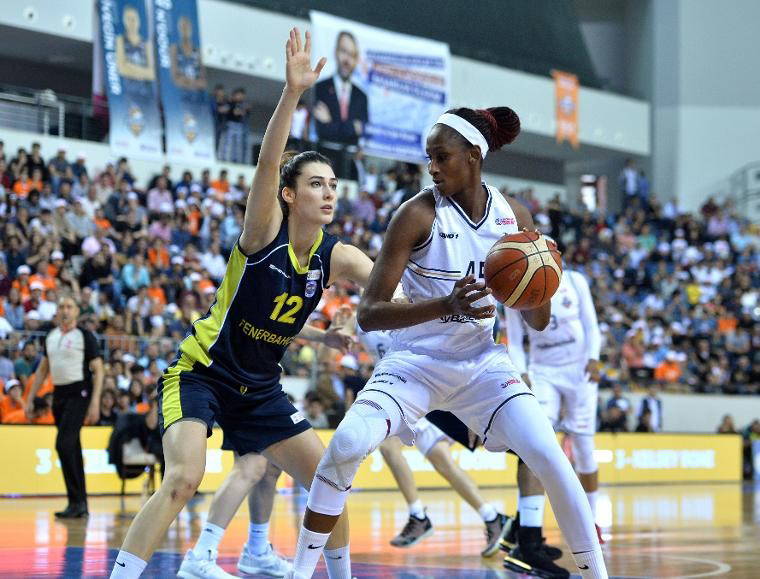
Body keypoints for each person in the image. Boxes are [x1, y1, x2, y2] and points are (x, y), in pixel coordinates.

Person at [291, 107, 607, 579]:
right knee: (347, 443)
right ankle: (301, 573)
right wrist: (445, 305)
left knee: (549, 456)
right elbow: (370, 313)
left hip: (482, 365)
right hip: (414, 361)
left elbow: (538, 322)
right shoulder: (416, 214)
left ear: (474, 155)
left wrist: (542, 276)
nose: (432, 168)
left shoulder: (513, 216)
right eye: (429, 158)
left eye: (442, 157)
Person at [109, 28, 376, 579]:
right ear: (289, 194)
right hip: (201, 374)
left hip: (260, 390)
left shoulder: (337, 256)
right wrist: (292, 94)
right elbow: (267, 165)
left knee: (330, 484)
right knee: (183, 479)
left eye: (332, 184)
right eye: (316, 184)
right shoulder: (263, 233)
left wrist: (444, 299)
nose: (329, 192)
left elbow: (388, 288)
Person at [354, 318, 510, 555]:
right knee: (405, 451)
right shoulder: (363, 316)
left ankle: (424, 517)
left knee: (439, 461)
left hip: (424, 390)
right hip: (397, 392)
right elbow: (334, 340)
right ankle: (491, 517)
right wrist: (334, 334)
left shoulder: (410, 306)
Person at [503, 269, 604, 576]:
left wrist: (594, 357)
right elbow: (515, 340)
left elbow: (591, 325)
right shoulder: (514, 285)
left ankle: (591, 521)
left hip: (579, 370)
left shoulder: (575, 280)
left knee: (585, 450)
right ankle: (528, 533)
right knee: (536, 444)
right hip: (543, 371)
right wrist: (521, 371)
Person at [25, 296, 104, 518]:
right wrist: (30, 398)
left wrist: (95, 401)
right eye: (61, 307)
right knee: (72, 447)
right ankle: (78, 503)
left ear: (77, 311)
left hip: (79, 393)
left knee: (63, 444)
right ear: (57, 311)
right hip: (59, 395)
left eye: (69, 306)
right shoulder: (51, 336)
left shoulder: (84, 335)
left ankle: (77, 501)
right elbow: (43, 370)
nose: (65, 310)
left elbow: (99, 369)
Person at [313, 31, 368, 146]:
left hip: (349, 157)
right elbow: (322, 131)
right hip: (324, 154)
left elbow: (364, 133)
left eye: (352, 55)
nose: (347, 60)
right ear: (336, 52)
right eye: (344, 51)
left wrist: (330, 123)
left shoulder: (361, 97)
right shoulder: (321, 88)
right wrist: (352, 127)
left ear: (356, 60)